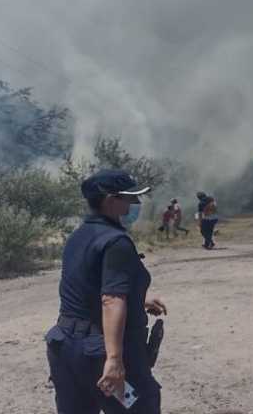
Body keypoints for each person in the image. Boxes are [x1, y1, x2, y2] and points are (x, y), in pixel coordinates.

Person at [45, 169, 168, 414]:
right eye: (130, 199)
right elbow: (111, 299)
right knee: (137, 406)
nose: (136, 204)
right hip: (99, 357)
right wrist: (114, 360)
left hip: (66, 351)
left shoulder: (79, 236)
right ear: (110, 200)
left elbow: (87, 287)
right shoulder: (116, 242)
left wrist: (139, 300)